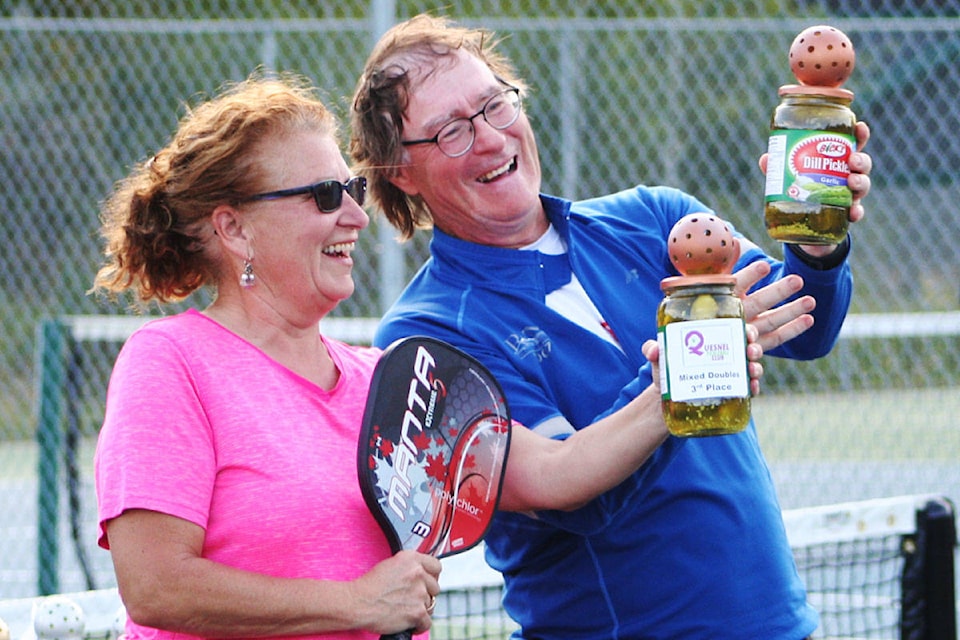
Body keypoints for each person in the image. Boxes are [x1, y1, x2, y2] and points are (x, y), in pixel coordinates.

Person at [91, 73, 779, 640]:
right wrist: (354, 605)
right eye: (325, 196)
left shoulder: (388, 379)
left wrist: (682, 383)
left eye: (353, 192)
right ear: (233, 228)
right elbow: (156, 586)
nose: (357, 217)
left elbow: (559, 474)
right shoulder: (172, 362)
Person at [349, 14, 873, 640]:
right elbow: (575, 493)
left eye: (494, 104)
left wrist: (817, 239)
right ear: (400, 173)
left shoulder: (657, 220)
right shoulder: (425, 335)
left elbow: (807, 330)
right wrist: (688, 368)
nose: (489, 138)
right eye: (451, 132)